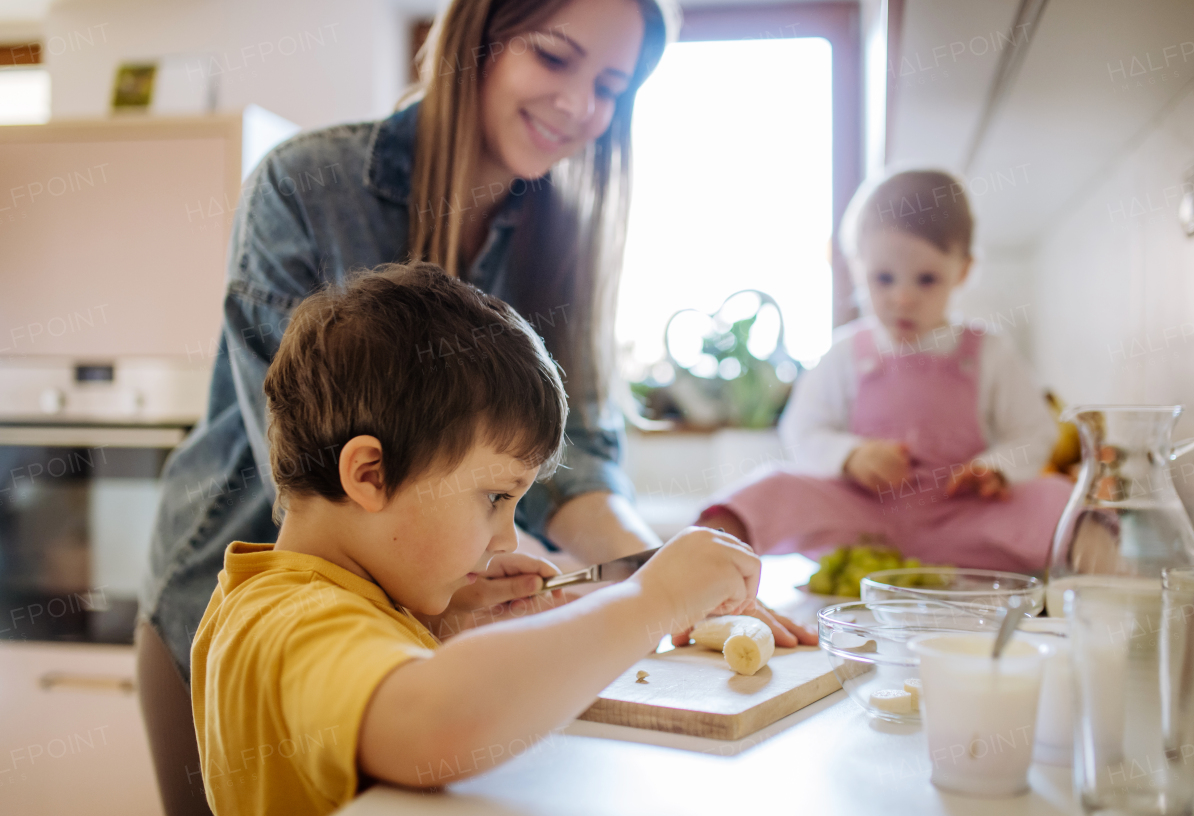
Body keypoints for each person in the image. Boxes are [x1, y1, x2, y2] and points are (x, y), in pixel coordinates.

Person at [145, 0, 812, 684]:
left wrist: (661, 573)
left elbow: (574, 456)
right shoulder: (305, 186)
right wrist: (632, 596)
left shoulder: (563, 236)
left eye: (610, 88)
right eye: (553, 57)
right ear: (477, 40)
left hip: (413, 625)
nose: (580, 104)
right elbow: (305, 468)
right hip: (227, 619)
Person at [191, 262, 760, 816]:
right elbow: (433, 724)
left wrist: (442, 623)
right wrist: (652, 599)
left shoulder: (309, 596)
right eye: (495, 497)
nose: (507, 539)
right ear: (370, 473)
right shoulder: (289, 618)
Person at [696, 170, 1074, 572]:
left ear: (962, 270)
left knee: (1058, 498)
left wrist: (998, 468)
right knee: (771, 486)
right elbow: (802, 430)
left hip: (965, 521)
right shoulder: (846, 352)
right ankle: (699, 568)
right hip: (861, 521)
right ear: (858, 268)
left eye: (927, 279)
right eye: (883, 278)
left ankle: (1098, 586)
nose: (903, 298)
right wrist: (850, 455)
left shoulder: (989, 352)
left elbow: (1035, 432)